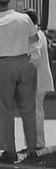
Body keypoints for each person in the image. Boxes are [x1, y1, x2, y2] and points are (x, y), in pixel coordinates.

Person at [0, 0, 39, 163]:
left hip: (5, 65)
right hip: (25, 63)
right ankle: (32, 149)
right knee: (28, 109)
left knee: (5, 109)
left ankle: (10, 151)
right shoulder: (24, 18)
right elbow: (34, 39)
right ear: (9, 2)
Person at [24, 9, 53, 150]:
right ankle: (35, 142)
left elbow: (34, 58)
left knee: (34, 112)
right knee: (36, 111)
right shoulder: (39, 33)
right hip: (39, 79)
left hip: (35, 80)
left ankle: (37, 143)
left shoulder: (33, 34)